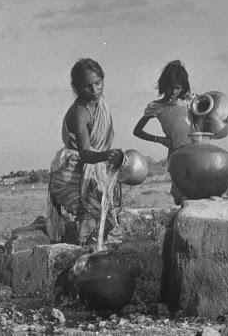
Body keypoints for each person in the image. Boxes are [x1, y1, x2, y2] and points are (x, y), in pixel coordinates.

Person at [47, 58, 125, 246]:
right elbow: (85, 153)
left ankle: (90, 254)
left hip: (92, 169)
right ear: (77, 87)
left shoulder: (100, 106)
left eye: (98, 83)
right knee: (90, 214)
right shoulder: (80, 112)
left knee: (105, 219)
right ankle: (84, 259)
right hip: (71, 173)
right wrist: (106, 156)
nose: (95, 90)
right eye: (88, 86)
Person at [133, 60, 193, 205]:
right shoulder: (156, 106)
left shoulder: (188, 103)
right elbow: (137, 131)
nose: (173, 92)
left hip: (194, 152)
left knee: (196, 192)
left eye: (178, 88)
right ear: (164, 85)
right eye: (171, 87)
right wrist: (160, 139)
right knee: (181, 194)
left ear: (183, 87)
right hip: (177, 154)